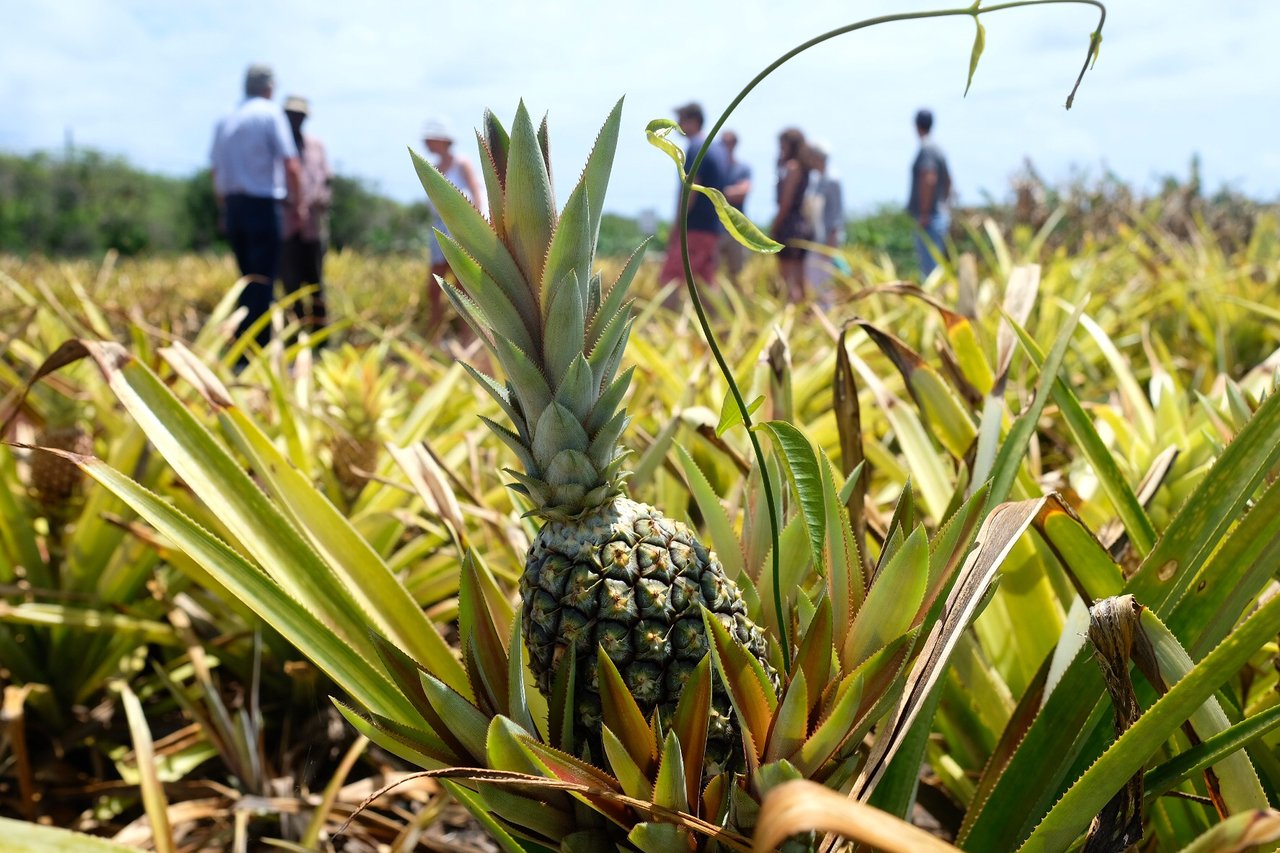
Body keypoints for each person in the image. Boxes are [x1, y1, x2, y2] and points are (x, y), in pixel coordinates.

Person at [210, 63, 303, 352]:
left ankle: (242, 349)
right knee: (263, 282)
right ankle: (258, 352)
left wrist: (225, 208)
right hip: (263, 206)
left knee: (246, 280)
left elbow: (216, 170)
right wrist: (298, 205)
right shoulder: (270, 113)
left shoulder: (226, 118)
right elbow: (291, 163)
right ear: (270, 87)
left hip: (235, 207)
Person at [422, 117, 484, 335]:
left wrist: (476, 226)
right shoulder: (433, 167)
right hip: (440, 226)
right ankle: (434, 337)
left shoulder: (461, 163)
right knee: (435, 285)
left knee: (461, 285)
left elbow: (476, 192)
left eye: (430, 138)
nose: (426, 142)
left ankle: (468, 337)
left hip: (460, 227)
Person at [280, 95, 332, 342]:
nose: (295, 120)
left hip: (313, 224)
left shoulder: (316, 146)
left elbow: (326, 180)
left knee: (316, 281)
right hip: (286, 226)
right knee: (290, 283)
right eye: (291, 115)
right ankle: (295, 335)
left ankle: (321, 338)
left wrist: (321, 198)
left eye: (299, 115)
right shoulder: (278, 147)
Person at [659, 102, 727, 287]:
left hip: (694, 229)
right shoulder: (717, 149)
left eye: (681, 121)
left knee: (669, 280)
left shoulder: (696, 147)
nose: (678, 126)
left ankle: (665, 317)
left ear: (694, 121)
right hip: (711, 228)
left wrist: (677, 225)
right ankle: (715, 317)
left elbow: (690, 191)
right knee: (705, 282)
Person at [906, 108, 953, 278]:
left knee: (930, 274)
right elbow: (948, 181)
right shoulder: (939, 149)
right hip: (939, 216)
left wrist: (924, 214)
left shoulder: (926, 148)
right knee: (937, 270)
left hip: (930, 219)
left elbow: (928, 179)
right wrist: (944, 204)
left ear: (916, 125)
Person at [770, 128, 812, 302]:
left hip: (790, 226)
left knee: (789, 280)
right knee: (800, 278)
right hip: (800, 224)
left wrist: (775, 226)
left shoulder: (792, 167)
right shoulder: (802, 166)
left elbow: (785, 203)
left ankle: (793, 318)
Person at [802, 141, 846, 302]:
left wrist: (832, 237)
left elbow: (836, 212)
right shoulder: (818, 179)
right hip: (818, 238)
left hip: (827, 239)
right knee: (815, 280)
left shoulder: (832, 179)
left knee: (824, 280)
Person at [719, 130, 752, 284]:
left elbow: (743, 191)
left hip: (737, 230)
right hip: (717, 228)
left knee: (737, 275)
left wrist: (718, 193)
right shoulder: (716, 167)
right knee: (713, 275)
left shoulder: (743, 168)